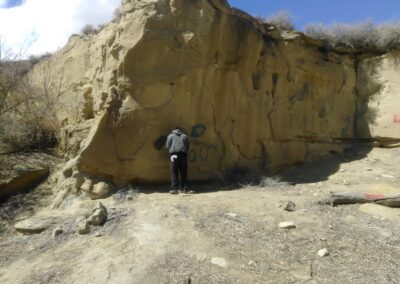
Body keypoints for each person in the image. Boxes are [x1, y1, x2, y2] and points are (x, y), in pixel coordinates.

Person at [165, 127, 190, 194]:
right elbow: (187, 146)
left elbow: (167, 146)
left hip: (173, 155)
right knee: (183, 172)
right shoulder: (185, 136)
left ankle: (174, 189)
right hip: (183, 155)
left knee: (174, 171)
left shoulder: (170, 136)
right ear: (180, 131)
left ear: (173, 131)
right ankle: (184, 188)